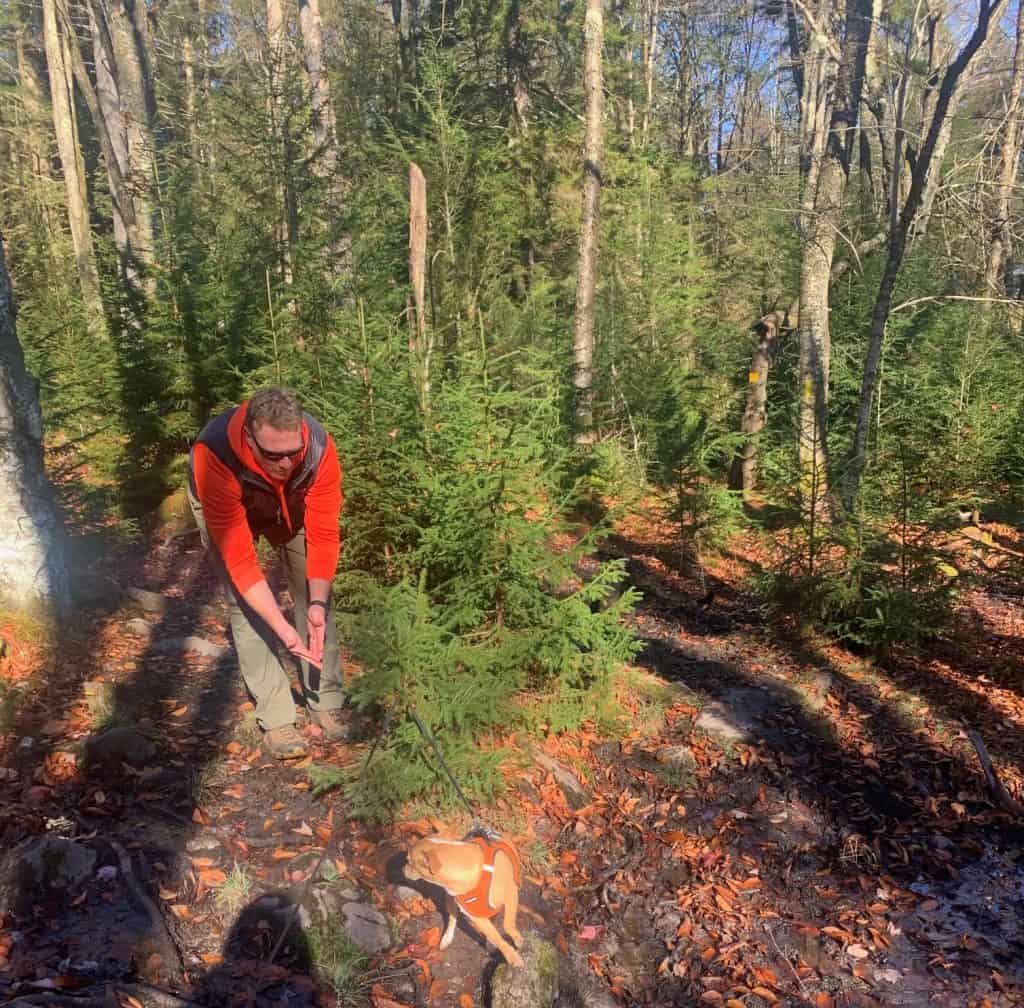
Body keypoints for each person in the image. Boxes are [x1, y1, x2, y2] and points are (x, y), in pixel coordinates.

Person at [188, 386, 347, 759]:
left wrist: (317, 604)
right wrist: (281, 627)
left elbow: (324, 534)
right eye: (274, 454)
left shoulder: (319, 447)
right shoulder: (214, 455)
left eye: (294, 452)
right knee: (246, 605)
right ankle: (276, 717)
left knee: (316, 596)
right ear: (250, 437)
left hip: (289, 503)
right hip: (226, 500)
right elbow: (242, 562)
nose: (286, 463)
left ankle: (326, 699)